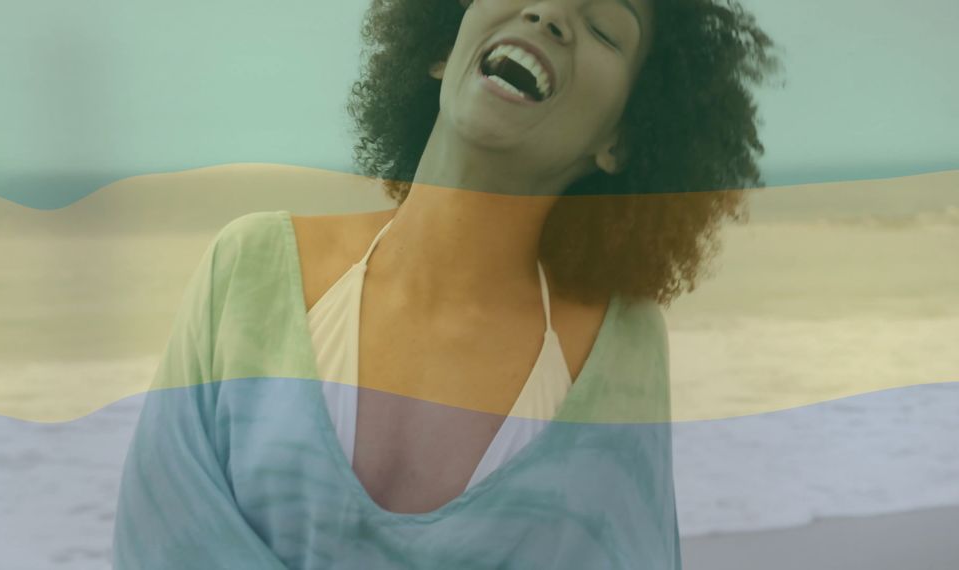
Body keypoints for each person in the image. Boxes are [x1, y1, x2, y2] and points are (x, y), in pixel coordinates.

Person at [112, 0, 779, 568]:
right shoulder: (250, 268)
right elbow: (158, 541)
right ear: (441, 49)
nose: (549, 13)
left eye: (606, 27)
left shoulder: (617, 347)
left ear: (620, 142)